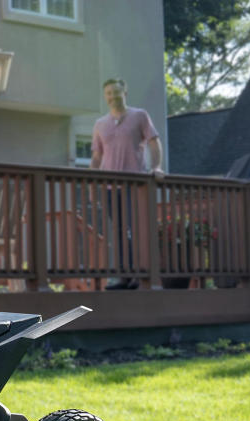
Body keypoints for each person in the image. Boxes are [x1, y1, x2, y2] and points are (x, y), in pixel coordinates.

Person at [90, 77, 164, 290]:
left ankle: (138, 276)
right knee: (119, 231)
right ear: (106, 97)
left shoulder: (139, 116)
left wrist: (156, 167)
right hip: (110, 188)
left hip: (134, 185)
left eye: (116, 92)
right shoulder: (100, 124)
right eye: (109, 93)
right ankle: (124, 276)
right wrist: (90, 182)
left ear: (125, 93)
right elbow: (96, 158)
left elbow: (154, 142)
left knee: (134, 230)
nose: (113, 96)